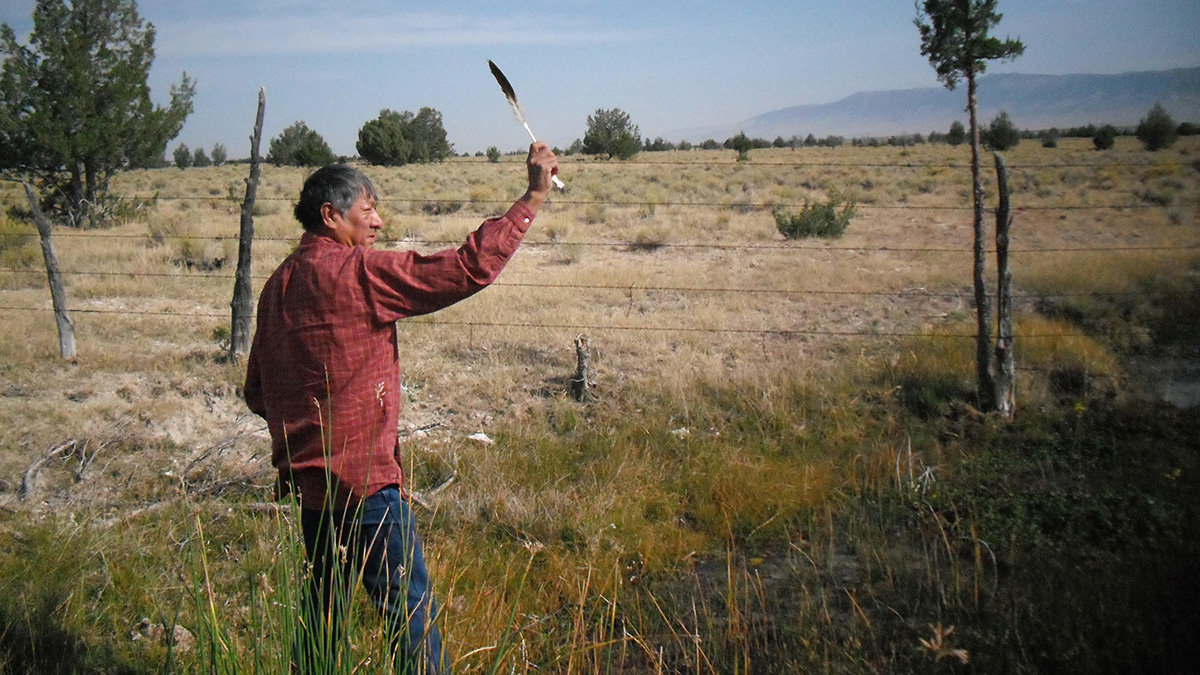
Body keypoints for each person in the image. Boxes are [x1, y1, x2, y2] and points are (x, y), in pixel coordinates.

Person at [244, 143, 559, 673]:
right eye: (367, 209)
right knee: (410, 619)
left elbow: (258, 391)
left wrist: (312, 418)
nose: (378, 221)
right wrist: (532, 196)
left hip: (313, 492)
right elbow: (465, 269)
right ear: (331, 215)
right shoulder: (356, 273)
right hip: (367, 487)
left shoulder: (277, 285)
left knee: (321, 622)